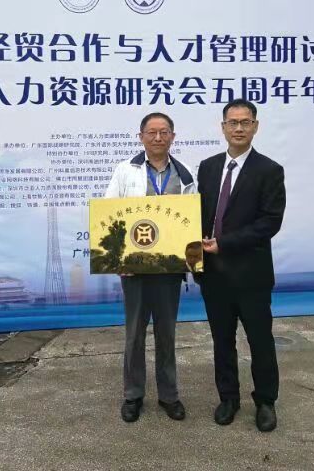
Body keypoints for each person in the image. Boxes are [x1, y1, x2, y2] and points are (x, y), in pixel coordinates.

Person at [196, 99, 286, 432]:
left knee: (260, 341)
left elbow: (270, 222)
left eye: (245, 122)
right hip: (214, 275)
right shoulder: (207, 167)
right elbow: (199, 215)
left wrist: (225, 243)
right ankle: (228, 399)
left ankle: (265, 401)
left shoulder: (269, 170)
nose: (238, 128)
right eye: (232, 122)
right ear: (223, 127)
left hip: (252, 275)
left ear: (255, 127)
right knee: (222, 342)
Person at [104, 112, 197, 423]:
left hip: (169, 270)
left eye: (164, 132)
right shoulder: (125, 171)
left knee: (167, 334)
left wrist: (191, 261)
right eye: (152, 132)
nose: (158, 137)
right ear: (141, 136)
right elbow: (110, 215)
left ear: (173, 137)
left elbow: (191, 222)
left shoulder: (186, 175)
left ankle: (169, 395)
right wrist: (118, 258)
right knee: (134, 335)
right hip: (135, 269)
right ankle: (133, 395)